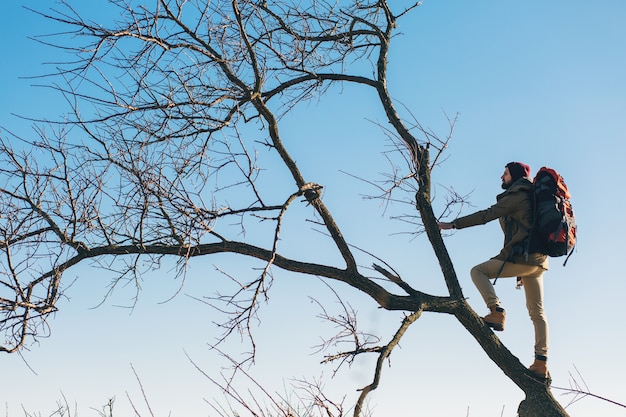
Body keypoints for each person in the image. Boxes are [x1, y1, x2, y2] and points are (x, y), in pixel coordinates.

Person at [438, 162, 550, 379]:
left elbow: (485, 216)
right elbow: (526, 231)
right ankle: (541, 363)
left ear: (514, 176)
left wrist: (452, 225)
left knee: (478, 271)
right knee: (537, 313)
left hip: (524, 260)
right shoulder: (532, 195)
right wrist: (521, 271)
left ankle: (496, 311)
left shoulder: (517, 195)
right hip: (537, 262)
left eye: (505, 173)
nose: (501, 176)